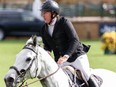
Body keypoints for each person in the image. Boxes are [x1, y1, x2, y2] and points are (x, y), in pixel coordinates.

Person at [40, 0, 99, 87]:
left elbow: (75, 40)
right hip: (60, 61)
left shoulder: (64, 22)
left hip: (76, 56)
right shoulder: (43, 29)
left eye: (45, 12)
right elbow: (47, 46)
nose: (42, 15)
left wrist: (66, 56)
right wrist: (47, 52)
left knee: (86, 75)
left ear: (53, 13)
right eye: (42, 12)